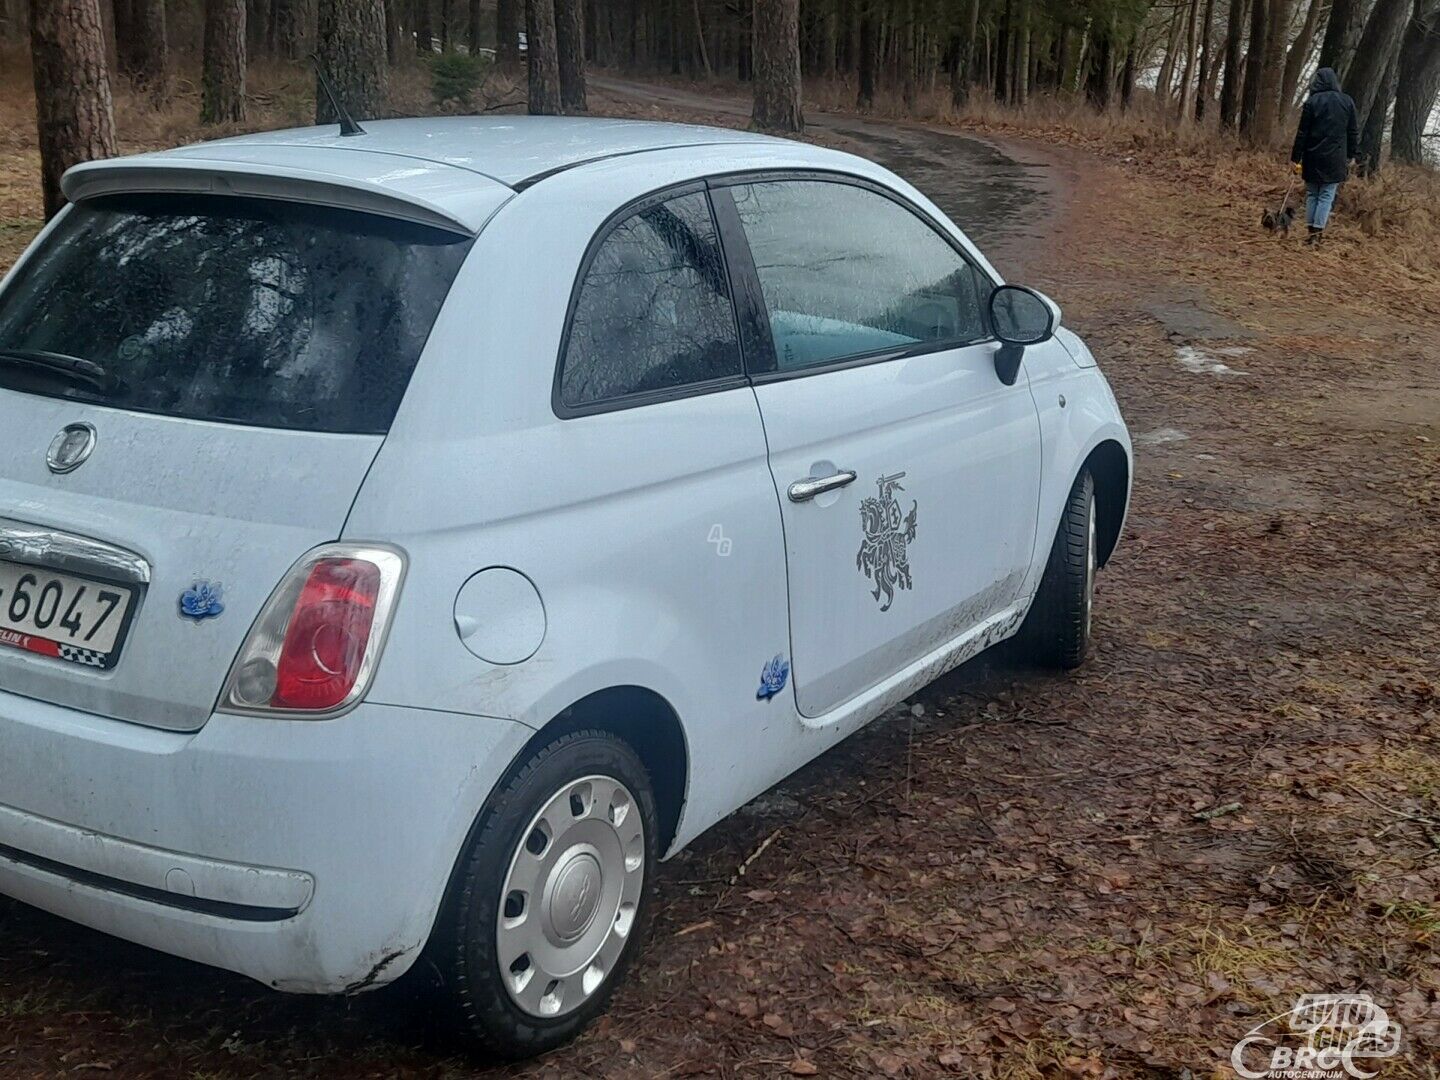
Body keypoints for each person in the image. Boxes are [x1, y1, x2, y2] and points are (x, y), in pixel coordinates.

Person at [1290, 67, 1359, 247]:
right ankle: (1317, 234)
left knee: (1313, 194)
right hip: (1336, 156)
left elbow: (1302, 133)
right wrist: (1351, 154)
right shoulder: (1347, 102)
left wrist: (1295, 157)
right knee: (1326, 195)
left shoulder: (1312, 102)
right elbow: (1353, 131)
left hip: (1312, 154)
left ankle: (1310, 232)